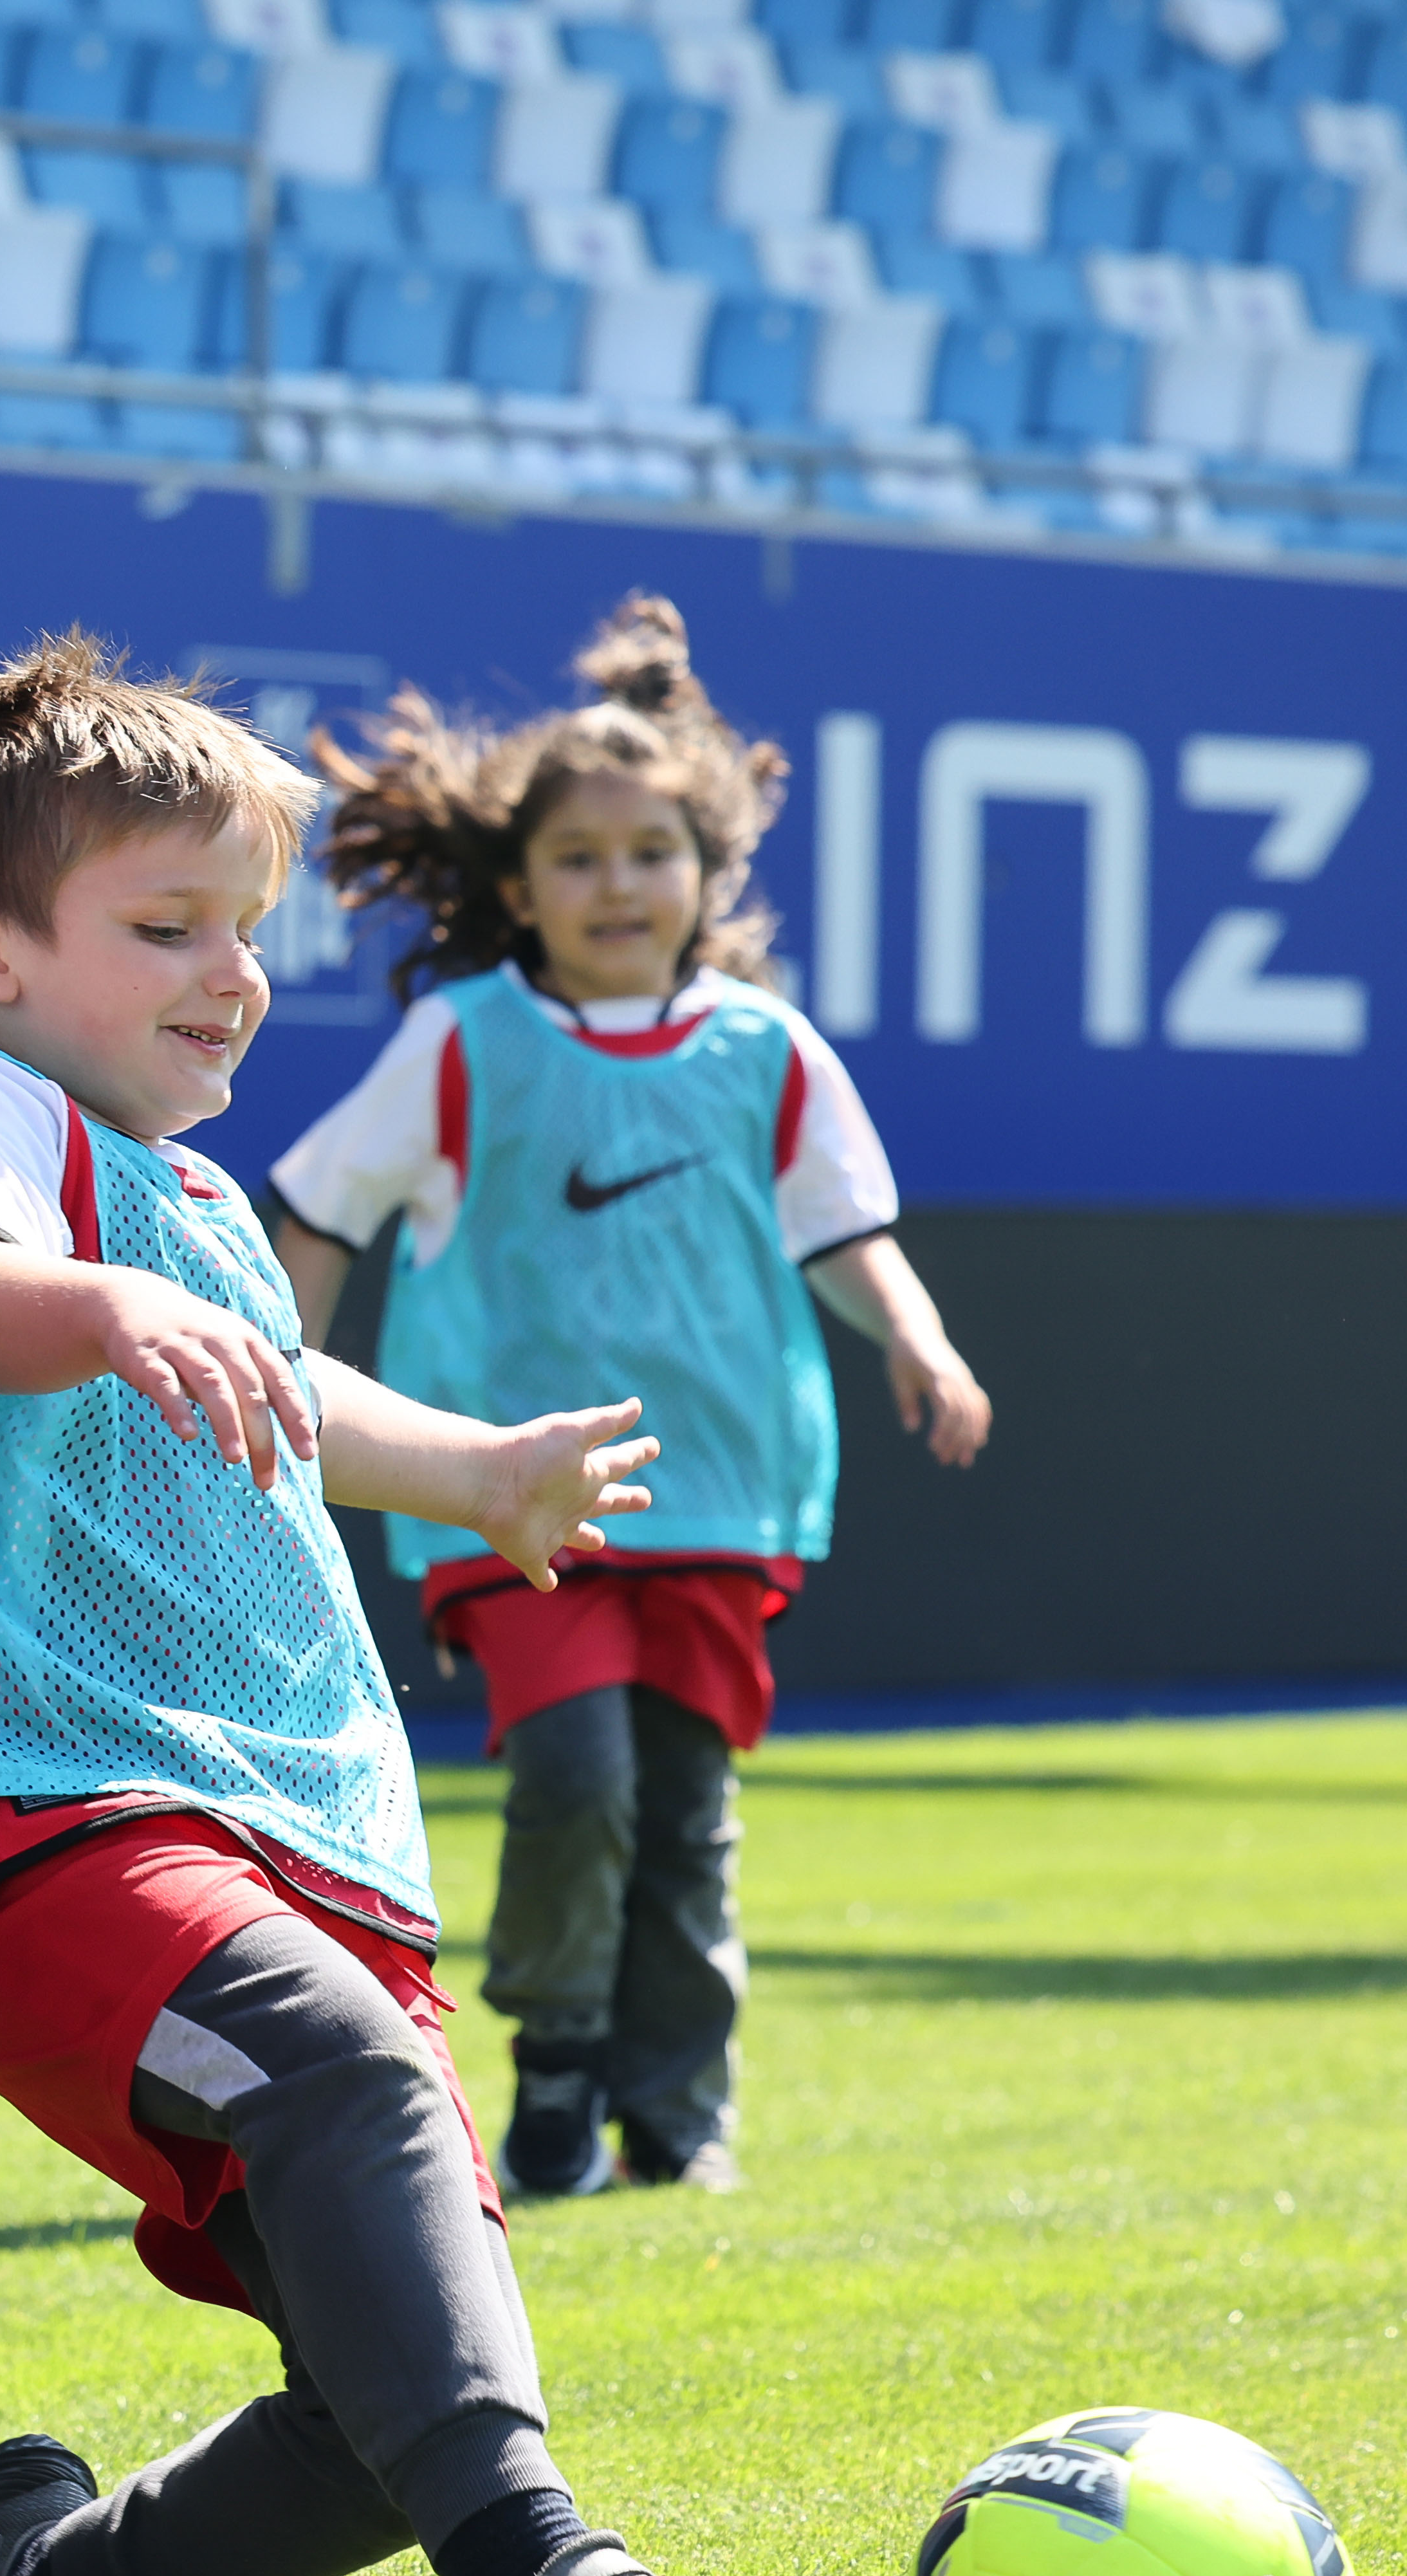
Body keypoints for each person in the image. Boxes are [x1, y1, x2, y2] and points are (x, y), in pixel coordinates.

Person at [0, 634, 818, 2576]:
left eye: (245, 930)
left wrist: (477, 1469)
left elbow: (287, 1388)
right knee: (352, 2091)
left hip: (300, 1841)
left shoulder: (187, 1192)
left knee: (393, 2401)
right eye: (166, 927)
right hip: (53, 1816)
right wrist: (94, 1307)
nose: (232, 976)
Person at [267, 597, 991, 2200]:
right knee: (579, 1773)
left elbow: (847, 1231)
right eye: (579, 857)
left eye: (651, 852)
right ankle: (557, 2066)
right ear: (520, 888)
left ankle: (678, 2111)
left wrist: (920, 1341)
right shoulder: (463, 1041)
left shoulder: (769, 1050)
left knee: (682, 1806)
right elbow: (317, 1210)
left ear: (709, 874)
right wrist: (274, 1388)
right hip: (510, 1495)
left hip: (720, 1494)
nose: (617, 885)